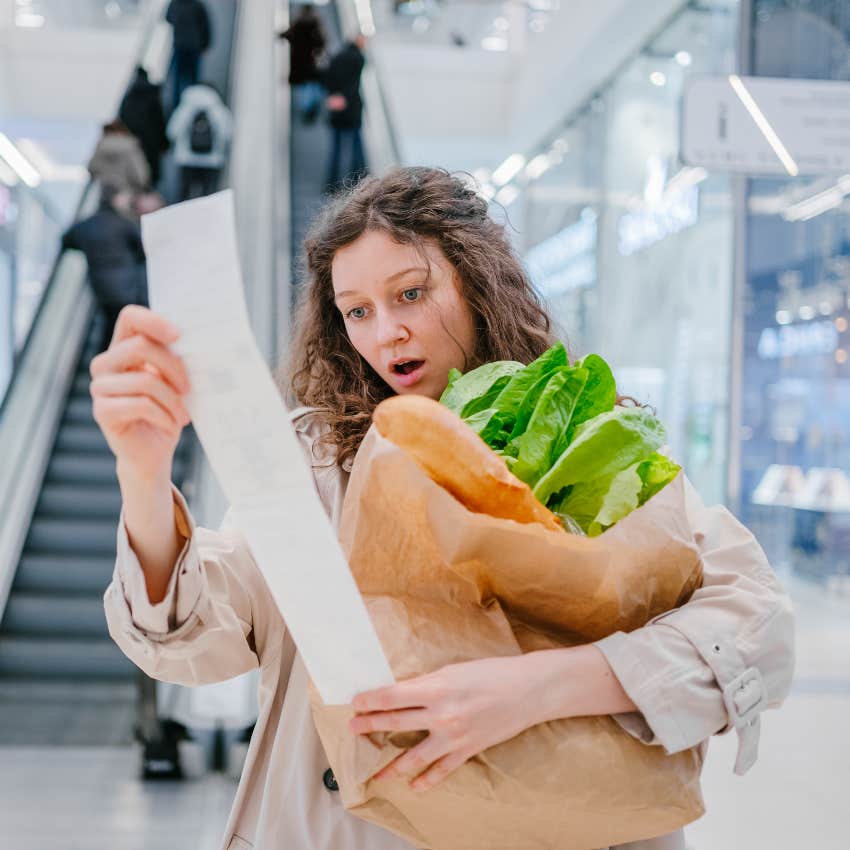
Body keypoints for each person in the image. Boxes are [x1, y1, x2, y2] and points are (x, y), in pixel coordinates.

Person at [92, 167, 794, 850]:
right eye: (358, 311)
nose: (386, 332)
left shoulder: (586, 435)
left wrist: (536, 687)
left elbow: (755, 627)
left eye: (411, 293)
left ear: (478, 283)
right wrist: (143, 475)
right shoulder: (316, 461)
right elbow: (197, 635)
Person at [62, 188, 148, 352]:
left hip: (100, 288)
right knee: (126, 323)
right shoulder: (123, 223)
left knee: (110, 324)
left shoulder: (87, 224)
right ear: (115, 199)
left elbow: (66, 240)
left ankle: (105, 360)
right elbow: (142, 250)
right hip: (125, 286)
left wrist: (88, 249)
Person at [166, 82, 232, 201]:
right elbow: (227, 134)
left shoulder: (185, 107)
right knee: (209, 198)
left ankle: (184, 218)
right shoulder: (218, 109)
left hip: (187, 160)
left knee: (184, 197)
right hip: (212, 162)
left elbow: (172, 132)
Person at [322, 33, 367, 192]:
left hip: (337, 109)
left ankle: (331, 184)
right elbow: (353, 85)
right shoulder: (359, 59)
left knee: (336, 147)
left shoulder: (337, 57)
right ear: (359, 41)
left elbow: (327, 78)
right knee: (356, 146)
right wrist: (346, 98)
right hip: (352, 109)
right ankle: (358, 181)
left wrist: (334, 96)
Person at [119, 66, 170, 187]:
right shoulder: (152, 95)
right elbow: (159, 120)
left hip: (133, 144)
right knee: (149, 177)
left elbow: (122, 120)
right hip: (151, 143)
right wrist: (164, 142)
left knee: (134, 176)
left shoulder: (129, 97)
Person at [279, 5, 327, 124]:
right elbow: (322, 43)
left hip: (299, 65)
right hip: (312, 65)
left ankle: (307, 111)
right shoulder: (316, 25)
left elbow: (287, 35)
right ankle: (313, 108)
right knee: (312, 88)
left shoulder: (298, 25)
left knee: (304, 90)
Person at [166, 0, 212, 107]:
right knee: (192, 79)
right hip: (193, 48)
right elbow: (205, 26)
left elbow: (168, 18)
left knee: (177, 81)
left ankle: (177, 106)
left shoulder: (175, 3)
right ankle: (191, 105)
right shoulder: (197, 5)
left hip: (180, 46)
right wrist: (205, 44)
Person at [87, 120, 150, 197]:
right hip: (127, 190)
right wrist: (143, 186)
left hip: (106, 188)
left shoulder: (102, 145)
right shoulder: (130, 146)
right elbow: (140, 173)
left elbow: (92, 167)